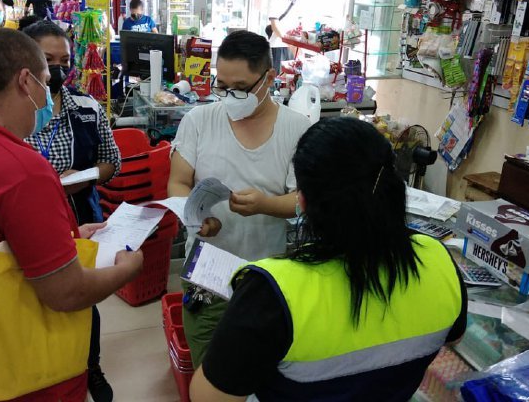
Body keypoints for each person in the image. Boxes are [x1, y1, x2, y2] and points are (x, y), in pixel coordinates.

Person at [0, 28, 143, 401]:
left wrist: (69, 239)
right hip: (36, 370)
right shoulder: (21, 167)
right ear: (25, 81)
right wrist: (126, 270)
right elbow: (66, 293)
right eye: (43, 81)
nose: (46, 96)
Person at [190, 117, 468, 401]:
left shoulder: (272, 291)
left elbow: (208, 397)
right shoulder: (437, 258)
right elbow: (454, 337)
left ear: (302, 203)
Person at [168, 30, 310, 368]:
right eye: (223, 85)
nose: (230, 96)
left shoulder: (297, 128)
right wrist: (195, 216)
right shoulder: (199, 120)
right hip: (206, 269)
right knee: (208, 363)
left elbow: (306, 201)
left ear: (269, 78)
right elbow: (177, 181)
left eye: (242, 88)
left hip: (267, 273)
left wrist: (264, 204)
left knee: (258, 364)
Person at [22, 20, 121, 402]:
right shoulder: (16, 112)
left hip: (79, 211)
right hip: (30, 218)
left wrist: (85, 176)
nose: (57, 69)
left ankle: (89, 365)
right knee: (35, 293)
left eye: (64, 60)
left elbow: (113, 162)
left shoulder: (86, 108)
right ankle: (44, 368)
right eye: (48, 60)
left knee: (82, 296)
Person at [268, 0, 299, 73]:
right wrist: (287, 40)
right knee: (278, 77)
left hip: (294, 45)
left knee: (292, 77)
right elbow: (274, 24)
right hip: (279, 44)